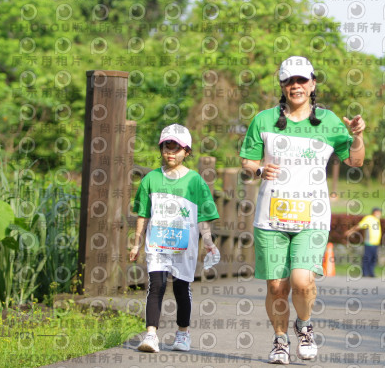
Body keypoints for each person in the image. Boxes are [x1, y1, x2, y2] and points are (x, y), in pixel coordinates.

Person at [240, 56, 366, 364]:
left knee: (301, 281)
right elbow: (247, 162)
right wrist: (259, 171)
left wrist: (358, 135)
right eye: (288, 81)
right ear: (282, 87)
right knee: (276, 286)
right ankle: (280, 340)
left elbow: (356, 161)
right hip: (271, 217)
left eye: (301, 81)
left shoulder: (329, 121)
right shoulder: (263, 119)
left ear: (312, 84)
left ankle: (305, 326)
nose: (295, 86)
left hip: (313, 218)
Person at [129, 124, 220, 353]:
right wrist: (136, 242)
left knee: (181, 288)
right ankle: (151, 335)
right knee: (156, 285)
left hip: (183, 246)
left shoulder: (195, 181)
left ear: (186, 152)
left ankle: (182, 334)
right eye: (166, 146)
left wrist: (208, 242)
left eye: (176, 148)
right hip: (157, 243)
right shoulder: (150, 179)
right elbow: (143, 213)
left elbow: (204, 216)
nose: (170, 152)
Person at [344, 207, 382, 277]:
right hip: (369, 242)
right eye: (377, 213)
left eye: (379, 213)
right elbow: (359, 226)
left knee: (373, 259)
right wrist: (351, 231)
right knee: (367, 258)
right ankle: (365, 272)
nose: (379, 214)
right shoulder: (369, 219)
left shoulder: (377, 220)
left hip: (376, 243)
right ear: (373, 213)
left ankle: (371, 273)